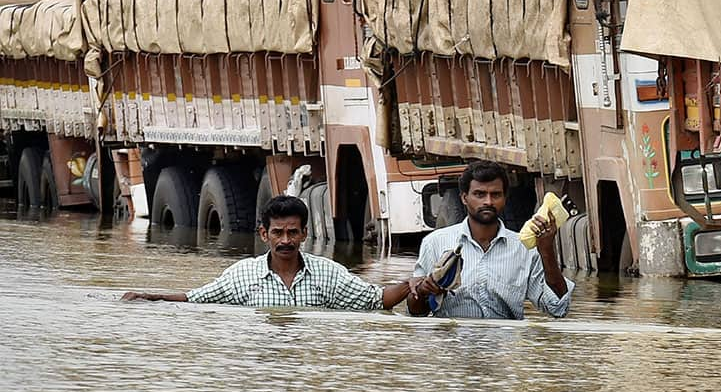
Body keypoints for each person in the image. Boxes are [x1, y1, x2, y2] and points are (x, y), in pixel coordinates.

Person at [122, 195, 412, 310]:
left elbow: (375, 300)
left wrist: (412, 285)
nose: (285, 240)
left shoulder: (329, 273)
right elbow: (196, 299)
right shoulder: (243, 275)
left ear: (304, 234)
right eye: (277, 233)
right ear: (264, 235)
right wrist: (153, 297)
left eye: (292, 232)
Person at [407, 161, 574, 319]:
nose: (488, 201)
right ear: (464, 198)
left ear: (505, 198)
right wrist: (422, 291)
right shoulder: (435, 243)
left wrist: (546, 250)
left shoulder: (524, 249)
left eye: (495, 195)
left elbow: (557, 308)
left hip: (507, 346)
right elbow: (416, 311)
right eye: (479, 194)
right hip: (454, 345)